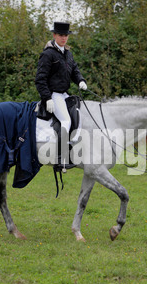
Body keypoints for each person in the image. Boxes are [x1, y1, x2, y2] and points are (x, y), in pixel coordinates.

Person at [35, 21, 87, 172]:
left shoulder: (68, 53)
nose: (64, 38)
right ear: (54, 35)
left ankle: (72, 149)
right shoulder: (48, 54)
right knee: (65, 120)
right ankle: (61, 159)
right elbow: (40, 79)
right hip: (54, 95)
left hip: (64, 94)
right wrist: (47, 98)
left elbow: (74, 71)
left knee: (79, 116)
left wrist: (81, 80)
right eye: (61, 35)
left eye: (66, 35)